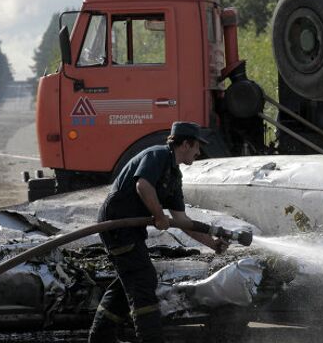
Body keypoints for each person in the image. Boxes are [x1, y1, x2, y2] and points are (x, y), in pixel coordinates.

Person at [88, 121, 229, 343]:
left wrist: (212, 243)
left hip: (130, 229)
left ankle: (100, 338)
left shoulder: (174, 176)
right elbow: (142, 185)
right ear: (184, 144)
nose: (199, 152)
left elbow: (182, 220)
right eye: (196, 147)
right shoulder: (158, 155)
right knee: (143, 279)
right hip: (117, 224)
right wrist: (159, 215)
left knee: (130, 276)